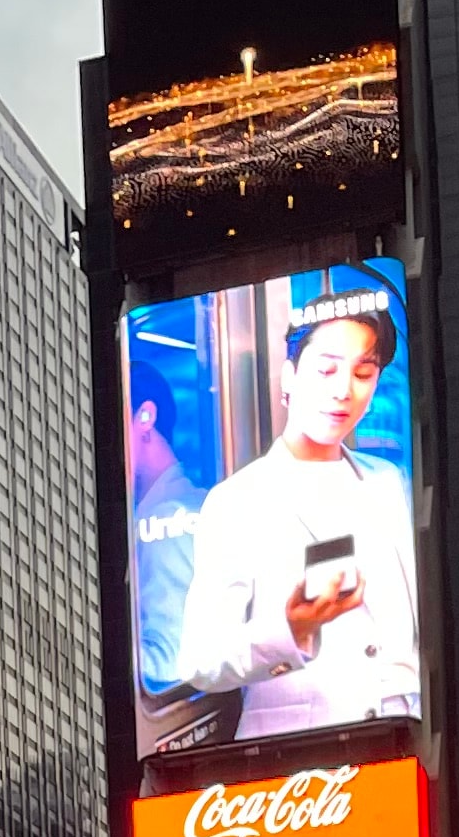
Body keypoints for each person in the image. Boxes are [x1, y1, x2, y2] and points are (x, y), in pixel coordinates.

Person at [170, 278, 419, 739]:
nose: (345, 390)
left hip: (406, 739)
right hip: (300, 760)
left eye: (363, 374)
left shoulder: (390, 482)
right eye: (326, 370)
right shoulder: (237, 500)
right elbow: (199, 660)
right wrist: (290, 629)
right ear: (289, 377)